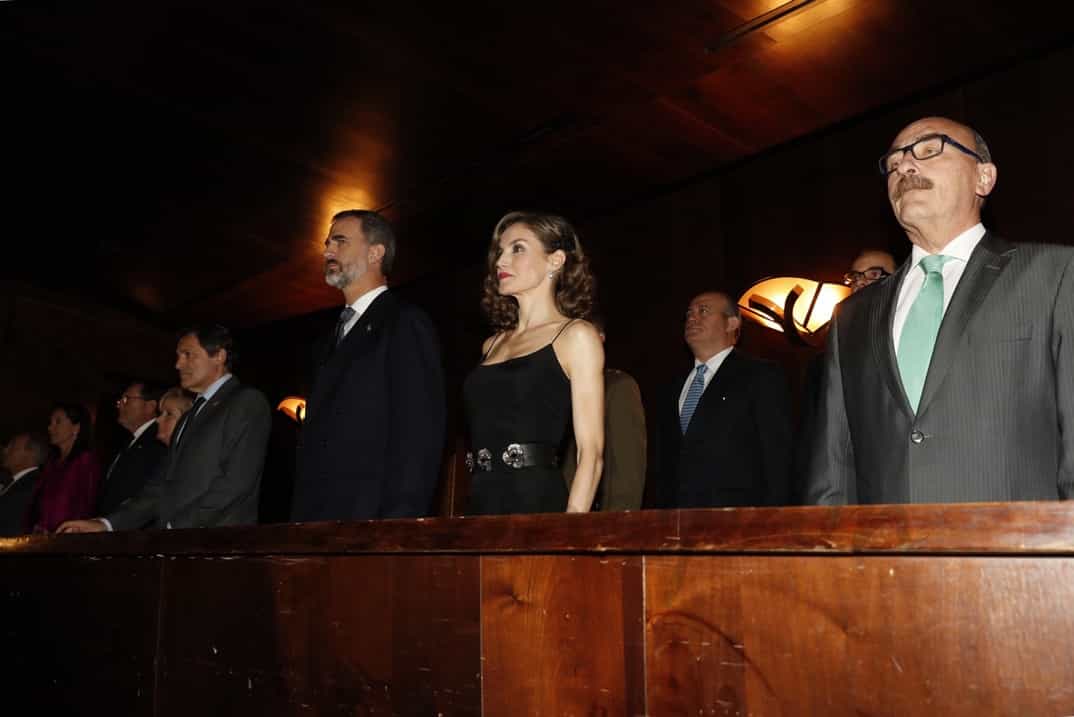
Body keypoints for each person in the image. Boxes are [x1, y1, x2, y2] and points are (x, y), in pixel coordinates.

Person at [806, 117, 1074, 504]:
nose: (905, 167)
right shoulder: (852, 316)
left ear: (983, 178)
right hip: (886, 559)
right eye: (894, 163)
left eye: (929, 149)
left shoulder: (1056, 275)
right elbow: (832, 468)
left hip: (1018, 558)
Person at [290, 210, 446, 521]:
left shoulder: (404, 322)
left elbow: (418, 431)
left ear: (376, 253)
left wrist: (398, 524)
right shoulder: (328, 339)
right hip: (317, 519)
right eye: (327, 243)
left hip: (369, 519)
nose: (327, 251)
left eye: (340, 241)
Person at [58, 325, 271, 531]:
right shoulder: (191, 415)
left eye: (188, 354)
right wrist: (107, 524)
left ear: (219, 356)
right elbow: (160, 486)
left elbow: (236, 483)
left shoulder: (246, 402)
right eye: (178, 356)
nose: (178, 364)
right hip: (179, 545)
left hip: (217, 548)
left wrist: (176, 526)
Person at [463, 211, 604, 514]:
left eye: (517, 248)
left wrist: (569, 533)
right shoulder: (492, 345)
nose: (500, 261)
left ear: (555, 260)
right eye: (500, 252)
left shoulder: (576, 336)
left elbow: (590, 453)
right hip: (479, 501)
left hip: (534, 503)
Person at [653, 291, 793, 508]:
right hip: (676, 524)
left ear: (732, 323)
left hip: (738, 522)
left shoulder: (759, 375)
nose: (692, 318)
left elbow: (778, 458)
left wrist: (772, 522)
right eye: (689, 313)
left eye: (704, 311)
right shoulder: (671, 386)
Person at [561, 314, 646, 511]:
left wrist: (616, 530)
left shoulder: (616, 387)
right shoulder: (552, 390)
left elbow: (627, 471)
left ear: (598, 339)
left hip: (588, 521)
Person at [95, 381, 168, 516]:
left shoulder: (158, 441)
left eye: (126, 399)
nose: (119, 404)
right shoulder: (130, 440)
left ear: (150, 406)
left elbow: (145, 494)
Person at [28, 403, 102, 532]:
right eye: (50, 422)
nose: (50, 428)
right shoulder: (51, 464)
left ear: (76, 428)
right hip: (42, 537)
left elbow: (86, 504)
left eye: (58, 422)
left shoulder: (85, 461)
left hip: (68, 538)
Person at [0, 432, 48, 536]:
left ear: (29, 453)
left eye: (12, 446)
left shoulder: (33, 485)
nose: (5, 450)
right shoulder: (13, 483)